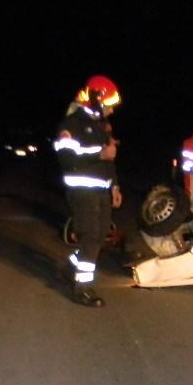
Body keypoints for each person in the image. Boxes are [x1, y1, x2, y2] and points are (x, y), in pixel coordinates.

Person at [53, 74, 122, 307]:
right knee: (91, 237)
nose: (111, 111)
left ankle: (70, 267)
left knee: (101, 236)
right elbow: (66, 157)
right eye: (109, 105)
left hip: (101, 191)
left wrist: (115, 186)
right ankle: (82, 288)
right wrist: (98, 154)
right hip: (82, 190)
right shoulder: (72, 124)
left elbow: (109, 160)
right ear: (95, 98)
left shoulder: (100, 127)